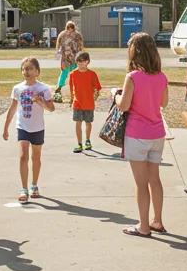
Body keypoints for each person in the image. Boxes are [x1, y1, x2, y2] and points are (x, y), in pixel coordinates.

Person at [115, 32, 169, 238]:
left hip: (137, 134)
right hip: (157, 134)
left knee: (141, 183)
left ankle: (143, 226)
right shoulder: (161, 76)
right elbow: (163, 103)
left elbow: (124, 106)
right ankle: (158, 220)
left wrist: (116, 95)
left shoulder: (133, 77)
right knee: (155, 179)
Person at [3, 56, 55, 203]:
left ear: (37, 71)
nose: (27, 72)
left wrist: (40, 101)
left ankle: (34, 185)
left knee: (36, 157)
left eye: (30, 69)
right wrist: (6, 127)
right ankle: (24, 188)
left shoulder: (43, 89)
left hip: (37, 128)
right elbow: (12, 109)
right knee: (23, 156)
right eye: (24, 69)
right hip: (22, 126)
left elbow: (51, 108)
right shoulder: (18, 89)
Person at [68, 51, 102, 153]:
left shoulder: (92, 74)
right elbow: (71, 88)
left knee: (88, 123)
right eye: (78, 62)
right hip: (77, 103)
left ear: (87, 62)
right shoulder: (73, 74)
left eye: (83, 61)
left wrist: (96, 95)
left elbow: (97, 88)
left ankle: (87, 140)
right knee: (78, 123)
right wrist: (71, 99)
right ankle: (79, 144)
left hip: (89, 103)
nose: (80, 64)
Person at [53, 21, 83, 103]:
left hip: (75, 58)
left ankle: (77, 91)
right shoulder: (62, 35)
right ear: (66, 27)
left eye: (71, 28)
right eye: (68, 27)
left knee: (75, 74)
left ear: (73, 28)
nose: (70, 30)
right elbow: (58, 46)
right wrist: (58, 54)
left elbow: (80, 46)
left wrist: (80, 56)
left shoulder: (77, 35)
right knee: (64, 73)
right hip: (65, 58)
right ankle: (59, 89)